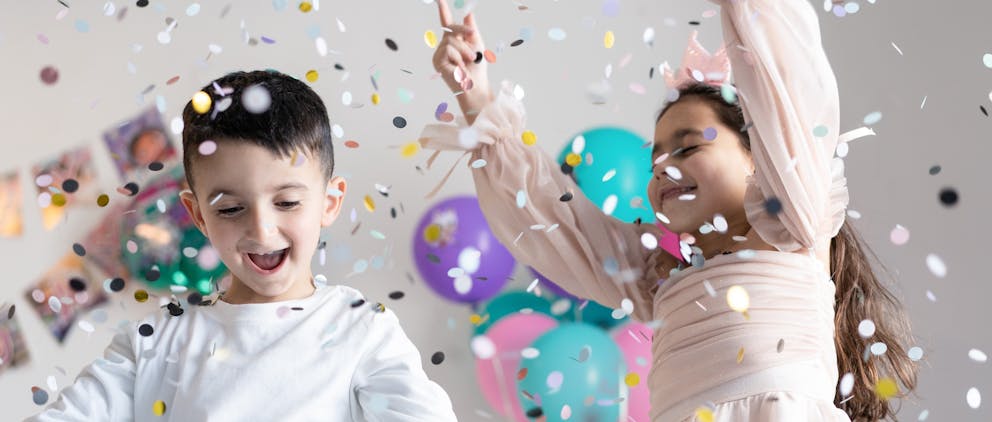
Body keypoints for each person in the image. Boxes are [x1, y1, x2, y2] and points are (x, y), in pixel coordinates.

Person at [420, 0, 918, 420]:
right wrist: (477, 95)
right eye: (655, 160)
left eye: (686, 148)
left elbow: (781, 81)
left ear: (757, 155)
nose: (663, 169)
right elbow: (557, 222)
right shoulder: (656, 275)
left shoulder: (790, 224)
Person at [27, 70, 458, 422]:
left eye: (287, 202)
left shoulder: (361, 330)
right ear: (198, 216)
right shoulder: (155, 341)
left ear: (329, 203)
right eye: (231, 209)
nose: (262, 230)